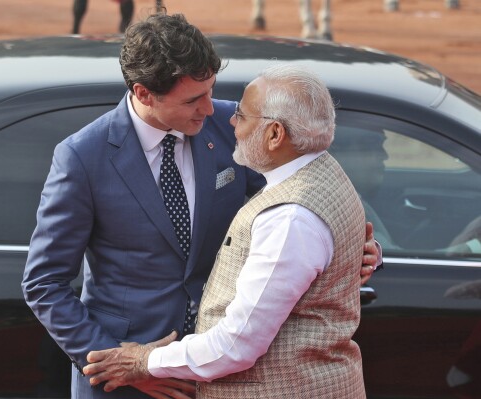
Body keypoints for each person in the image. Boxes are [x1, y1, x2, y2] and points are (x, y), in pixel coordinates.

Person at [22, 13, 379, 399]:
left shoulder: (234, 124)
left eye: (210, 90)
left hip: (220, 371)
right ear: (143, 93)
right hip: (126, 380)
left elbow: (298, 197)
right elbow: (44, 283)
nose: (210, 109)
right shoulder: (82, 157)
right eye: (193, 99)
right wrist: (121, 366)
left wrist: (354, 250)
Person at [83, 64, 367, 398]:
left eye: (242, 116)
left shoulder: (290, 219)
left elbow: (236, 344)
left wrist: (143, 360)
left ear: (275, 135)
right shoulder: (322, 172)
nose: (228, 122)